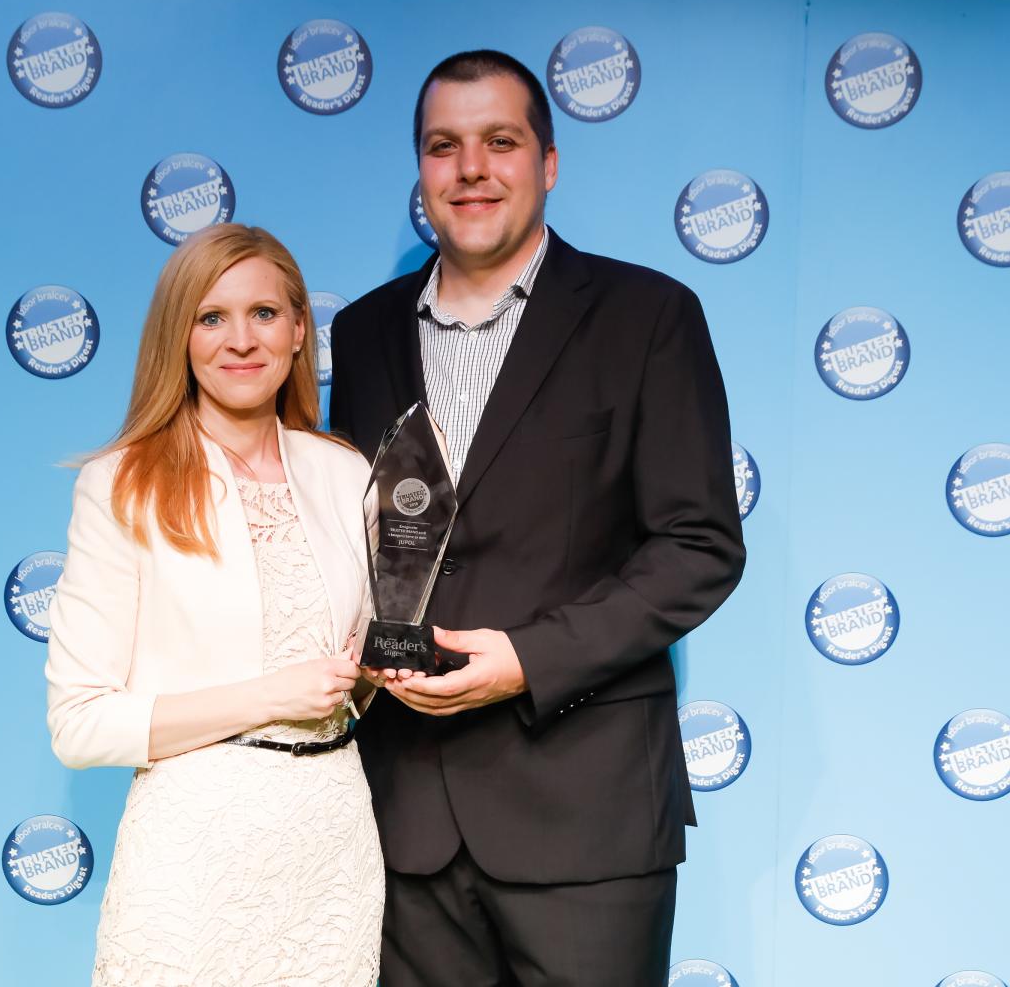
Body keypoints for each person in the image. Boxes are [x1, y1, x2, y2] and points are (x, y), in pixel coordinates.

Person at [327, 50, 746, 984]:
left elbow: (699, 547)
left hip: (586, 811)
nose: (471, 168)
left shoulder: (648, 315)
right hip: (405, 816)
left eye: (500, 142)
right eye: (444, 146)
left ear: (548, 163)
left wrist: (528, 659)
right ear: (421, 169)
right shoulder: (362, 333)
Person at [45, 223, 383, 986]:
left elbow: (359, 670)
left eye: (263, 313)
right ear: (180, 336)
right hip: (193, 854)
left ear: (299, 330)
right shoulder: (121, 484)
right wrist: (272, 696)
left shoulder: (346, 475)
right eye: (211, 317)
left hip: (332, 847)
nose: (241, 340)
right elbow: (80, 724)